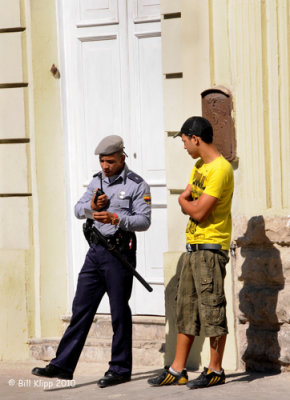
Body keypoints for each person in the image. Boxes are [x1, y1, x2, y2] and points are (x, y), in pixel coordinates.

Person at [32, 135, 151, 387]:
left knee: (119, 312)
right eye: (101, 161)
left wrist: (116, 217)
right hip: (95, 252)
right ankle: (63, 365)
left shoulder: (136, 184)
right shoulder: (96, 181)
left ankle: (119, 369)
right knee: (81, 309)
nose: (105, 166)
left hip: (119, 253)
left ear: (122, 157)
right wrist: (92, 207)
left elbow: (144, 220)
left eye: (109, 161)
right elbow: (78, 209)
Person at [148, 116, 234, 389]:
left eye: (185, 141)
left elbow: (196, 208)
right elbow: (186, 198)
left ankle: (216, 370)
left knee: (212, 311)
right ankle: (177, 369)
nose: (184, 146)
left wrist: (185, 202)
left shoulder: (220, 169)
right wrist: (187, 201)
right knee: (186, 310)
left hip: (210, 249)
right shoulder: (199, 167)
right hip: (193, 248)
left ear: (195, 138)